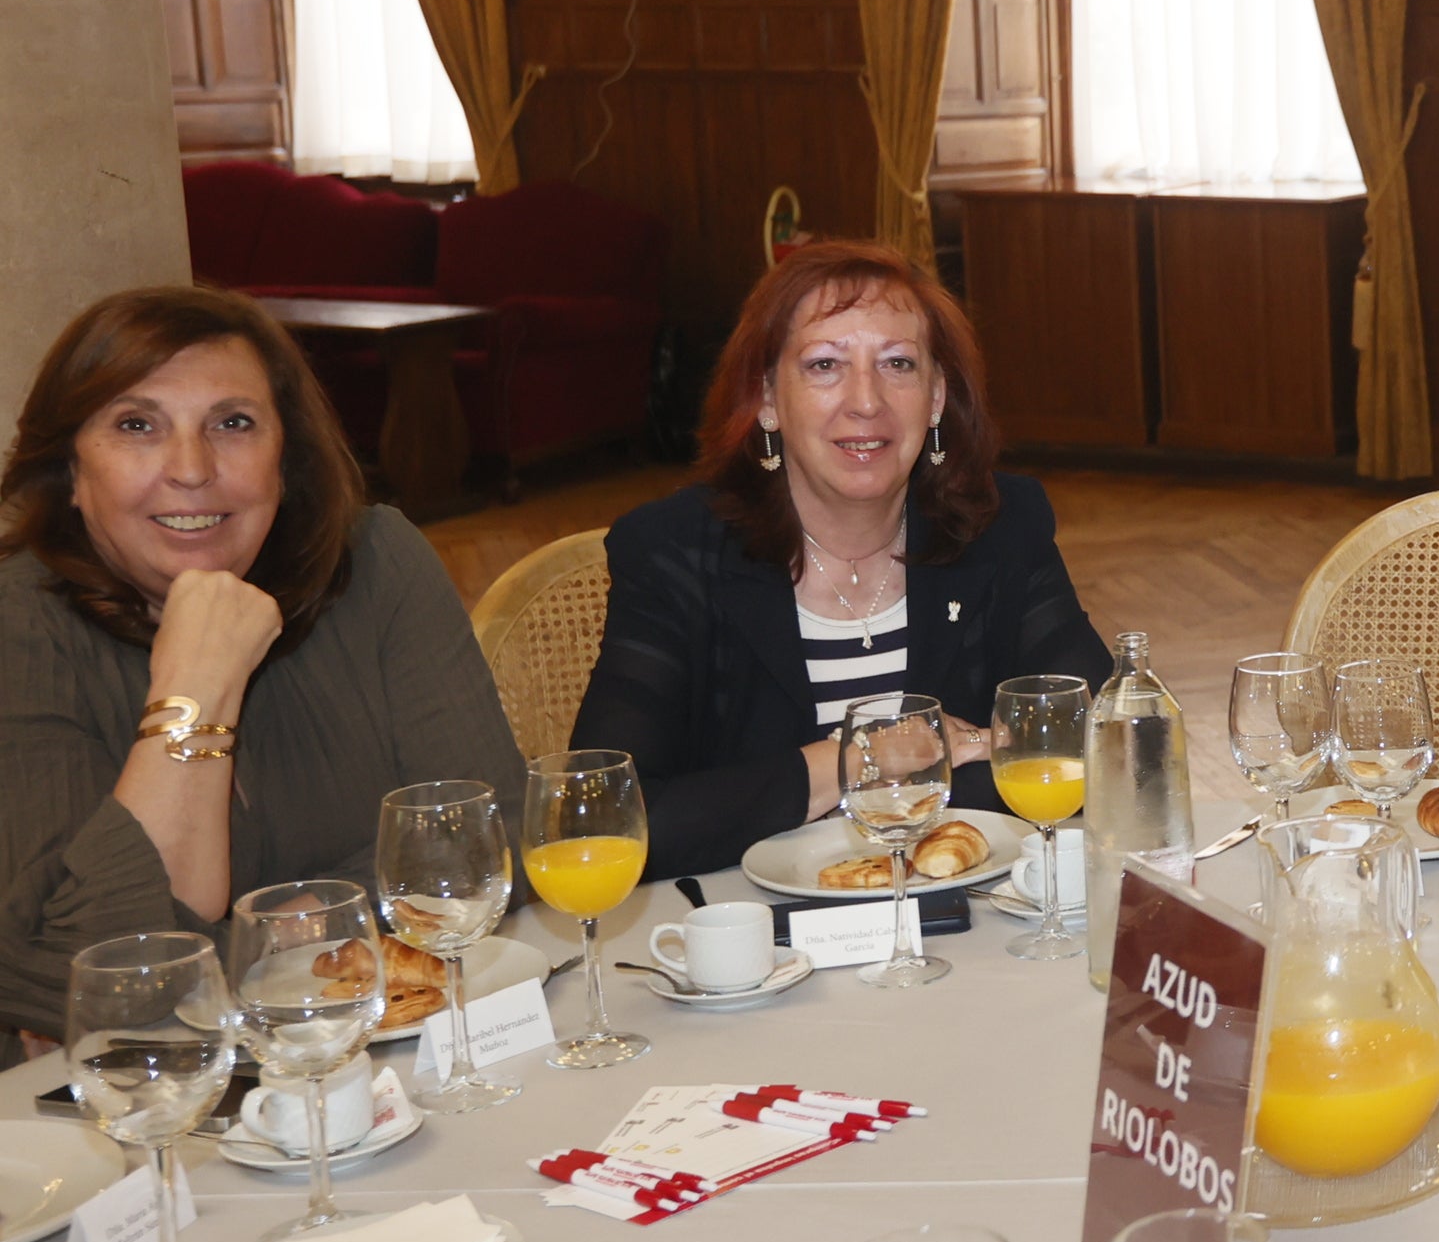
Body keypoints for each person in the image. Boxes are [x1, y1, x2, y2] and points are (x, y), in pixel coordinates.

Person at [0, 286, 521, 1043]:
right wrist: (195, 685)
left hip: (404, 1054)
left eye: (233, 423)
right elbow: (95, 985)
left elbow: (486, 842)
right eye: (137, 425)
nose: (191, 467)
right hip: (146, 1112)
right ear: (71, 474)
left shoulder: (377, 563)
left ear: (286, 459)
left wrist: (288, 928)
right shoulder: (19, 626)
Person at [575, 240, 1112, 879]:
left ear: (937, 397)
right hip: (757, 950)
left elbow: (1111, 749)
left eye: (898, 364)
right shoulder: (674, 555)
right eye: (825, 365)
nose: (866, 401)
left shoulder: (1001, 528)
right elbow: (604, 821)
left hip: (963, 931)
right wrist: (862, 757)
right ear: (768, 398)